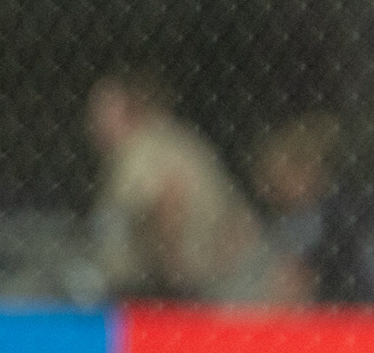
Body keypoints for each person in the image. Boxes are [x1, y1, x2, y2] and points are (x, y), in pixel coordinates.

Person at [86, 72, 261, 301]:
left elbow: (167, 200)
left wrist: (171, 276)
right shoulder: (179, 142)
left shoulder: (141, 148)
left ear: (133, 110)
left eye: (102, 113)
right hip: (210, 283)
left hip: (164, 289)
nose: (92, 124)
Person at [253, 115, 374, 307]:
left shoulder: (327, 214)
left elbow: (296, 277)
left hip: (352, 314)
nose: (272, 187)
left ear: (307, 171)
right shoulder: (310, 213)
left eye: (280, 177)